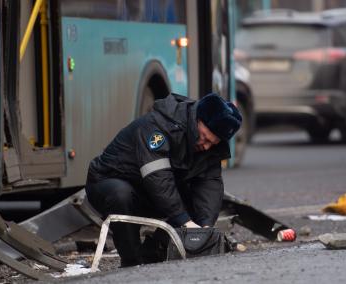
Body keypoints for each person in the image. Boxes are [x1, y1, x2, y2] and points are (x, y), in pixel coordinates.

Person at [85, 93, 242, 267]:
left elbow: (209, 185)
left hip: (147, 191)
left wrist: (205, 227)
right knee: (121, 194)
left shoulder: (207, 145)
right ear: (197, 119)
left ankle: (154, 250)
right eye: (204, 137)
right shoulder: (157, 126)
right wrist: (185, 222)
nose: (206, 145)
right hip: (108, 182)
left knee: (193, 196)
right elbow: (158, 179)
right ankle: (132, 262)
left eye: (212, 143)